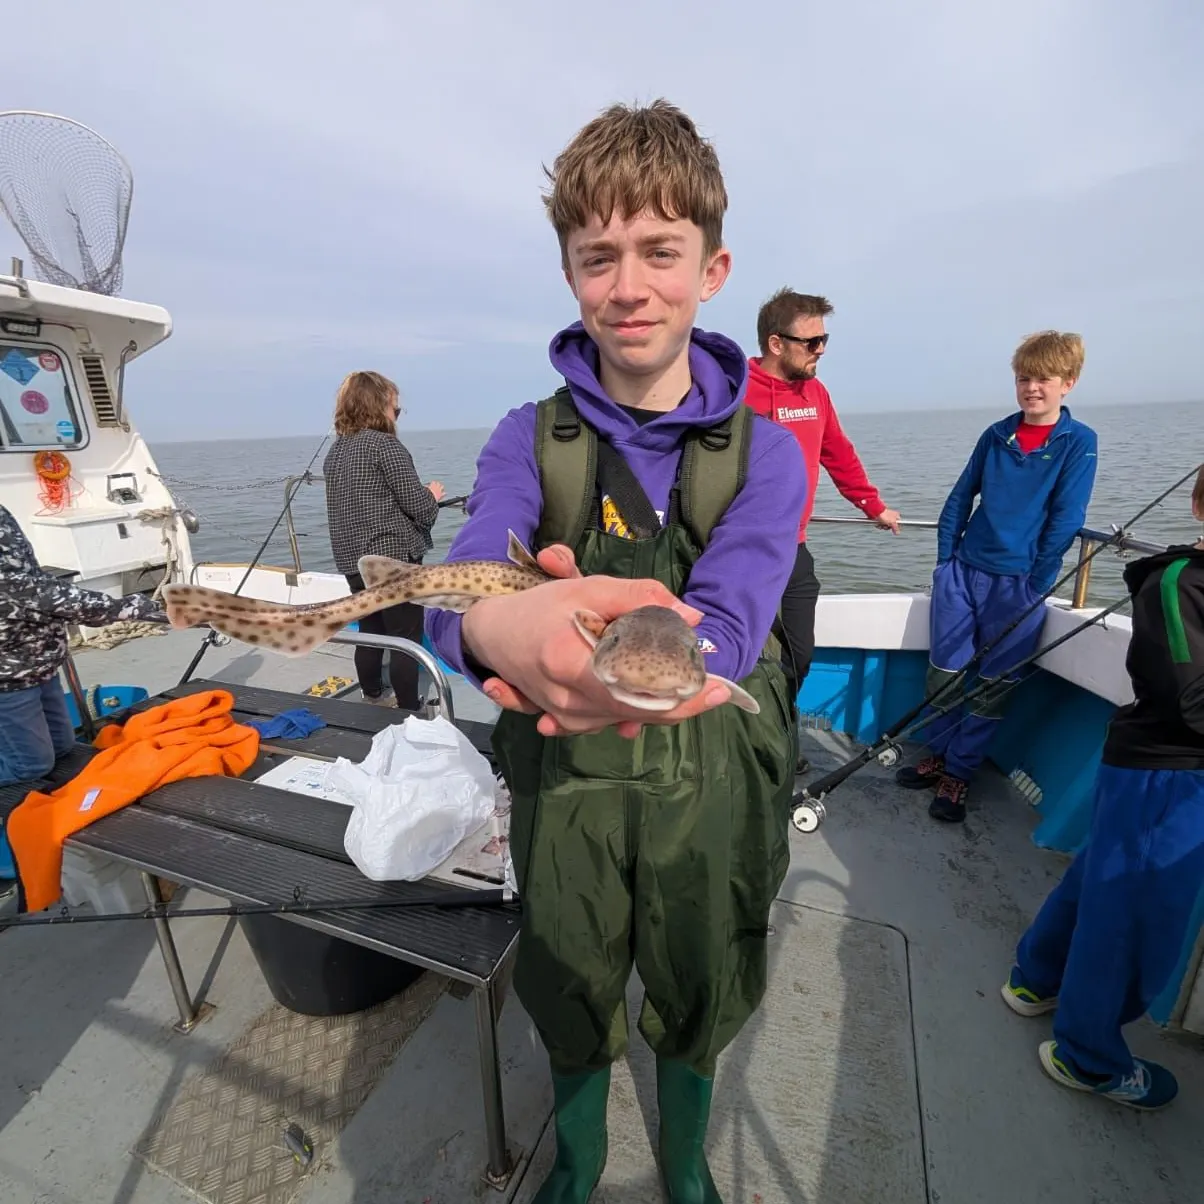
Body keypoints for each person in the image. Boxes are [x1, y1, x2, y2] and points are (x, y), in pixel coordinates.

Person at [425, 100, 806, 1202]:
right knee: (568, 968)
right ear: (569, 271)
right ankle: (580, 1160)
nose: (628, 285)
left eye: (658, 252)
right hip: (567, 778)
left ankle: (684, 1167)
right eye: (598, 257)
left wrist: (653, 660)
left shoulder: (769, 457)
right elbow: (465, 579)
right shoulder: (522, 439)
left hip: (712, 782)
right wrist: (501, 625)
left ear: (712, 266)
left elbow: (731, 617)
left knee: (701, 970)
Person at [999, 465, 1204, 1111]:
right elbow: (1190, 697)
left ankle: (1037, 980)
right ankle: (1086, 1058)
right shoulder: (1177, 583)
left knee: (1097, 884)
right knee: (1136, 922)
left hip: (1157, 774)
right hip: (1167, 776)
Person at [895, 330, 1098, 823]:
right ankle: (937, 754)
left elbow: (1067, 519)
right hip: (963, 574)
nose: (1032, 388)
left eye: (1044, 379)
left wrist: (1036, 581)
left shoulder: (1079, 443)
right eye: (1024, 378)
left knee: (992, 684)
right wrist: (946, 563)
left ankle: (958, 775)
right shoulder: (995, 435)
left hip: (1020, 586)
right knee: (943, 673)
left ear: (1068, 383)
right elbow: (961, 498)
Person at [743, 289, 901, 764]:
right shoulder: (735, 390)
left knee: (799, 656)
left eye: (824, 339)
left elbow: (836, 451)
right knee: (738, 650)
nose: (821, 350)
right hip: (737, 551)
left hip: (792, 549)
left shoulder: (816, 393)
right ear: (776, 343)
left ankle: (776, 735)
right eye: (812, 341)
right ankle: (743, 743)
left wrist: (871, 504)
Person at [0, 502, 164, 886]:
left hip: (38, 664)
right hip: (7, 679)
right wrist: (130, 608)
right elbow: (27, 590)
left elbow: (29, 577)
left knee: (62, 747)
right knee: (32, 765)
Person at [323, 370, 444, 712]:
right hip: (392, 562)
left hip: (352, 561)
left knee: (371, 630)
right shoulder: (386, 447)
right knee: (404, 639)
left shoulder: (336, 453)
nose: (397, 415)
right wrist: (431, 495)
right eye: (395, 408)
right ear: (379, 407)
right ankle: (409, 707)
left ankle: (374, 695)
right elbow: (421, 510)